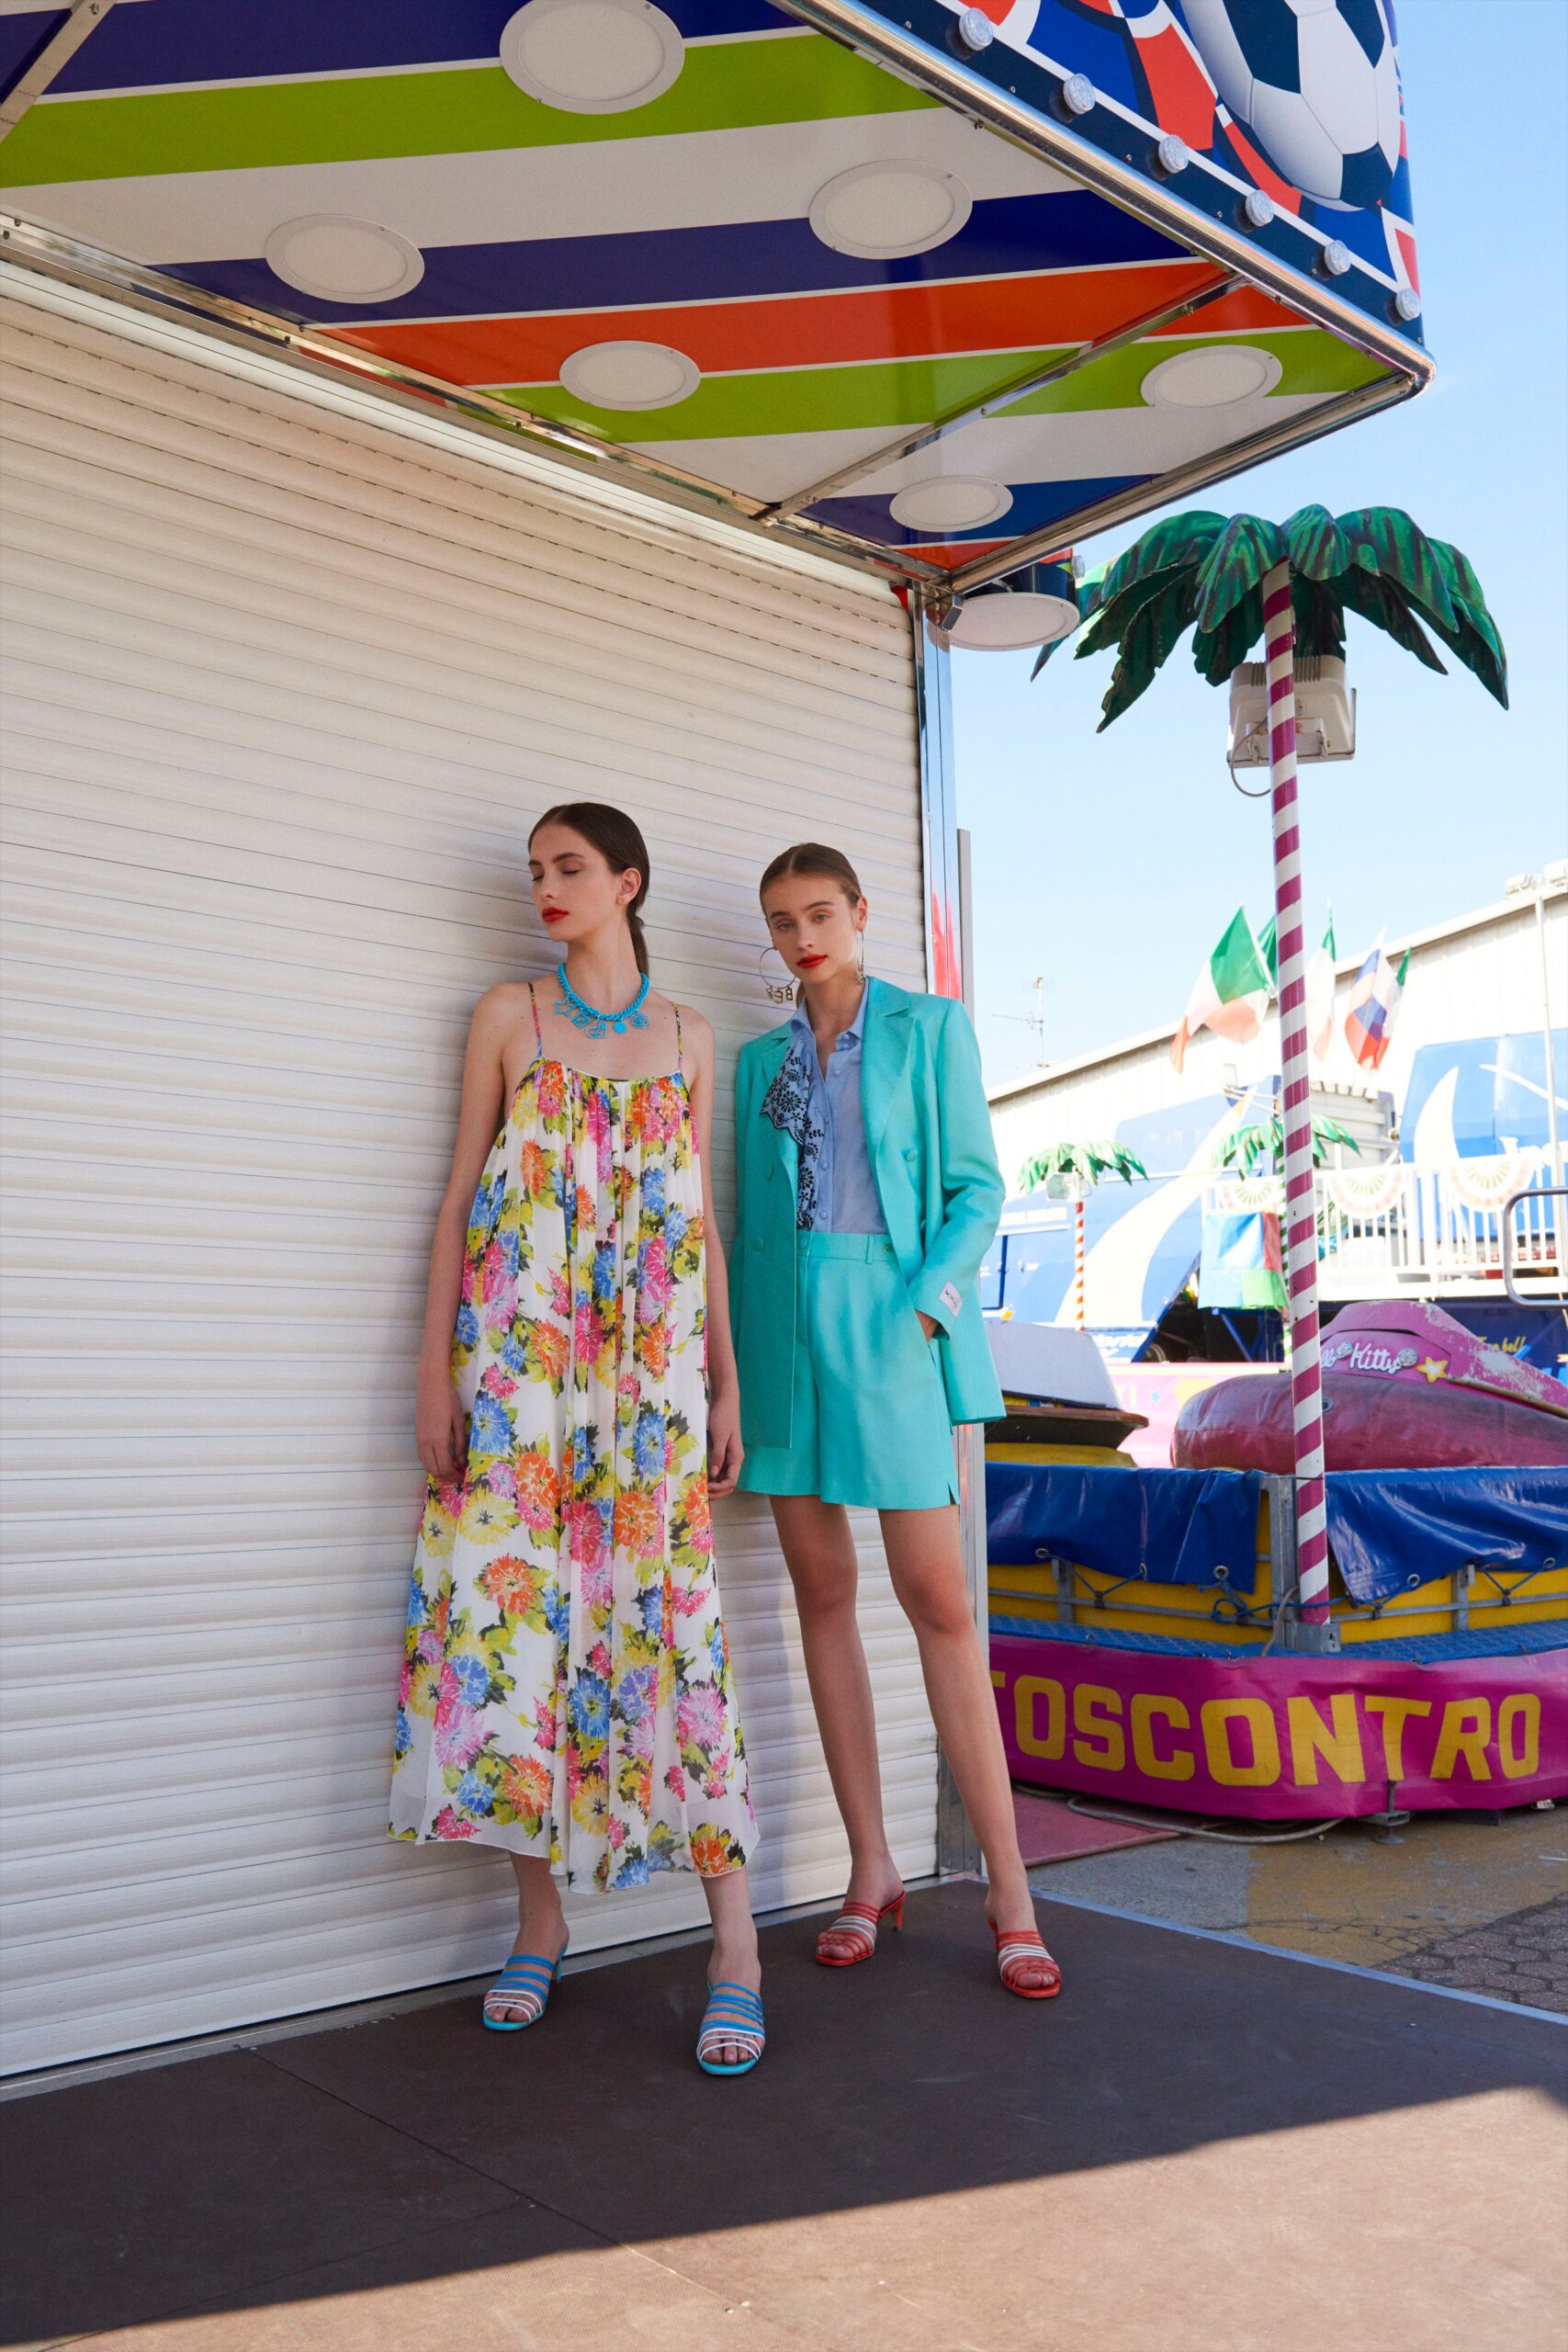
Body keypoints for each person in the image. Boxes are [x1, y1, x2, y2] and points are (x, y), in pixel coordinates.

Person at [389, 802, 764, 2075]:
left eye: (567, 868)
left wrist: (723, 1384)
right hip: (517, 1381)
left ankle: (735, 1946)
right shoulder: (510, 1016)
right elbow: (457, 1199)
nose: (545, 887)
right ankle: (536, 1928)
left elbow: (698, 1228)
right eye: (533, 870)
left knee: (667, 1624)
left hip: (649, 1389)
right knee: (515, 1637)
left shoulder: (691, 1037)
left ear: (626, 881)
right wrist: (434, 1380)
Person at [730, 842, 1060, 1999]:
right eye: (782, 921)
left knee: (938, 1601)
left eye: (820, 913)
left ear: (861, 914)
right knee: (820, 1593)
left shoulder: (931, 1030)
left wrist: (926, 1305)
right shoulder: (754, 1062)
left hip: (894, 1319)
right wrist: (730, 1364)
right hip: (784, 1334)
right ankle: (870, 1871)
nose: (803, 935)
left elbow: (979, 1189)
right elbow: (747, 1219)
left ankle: (1010, 1888)